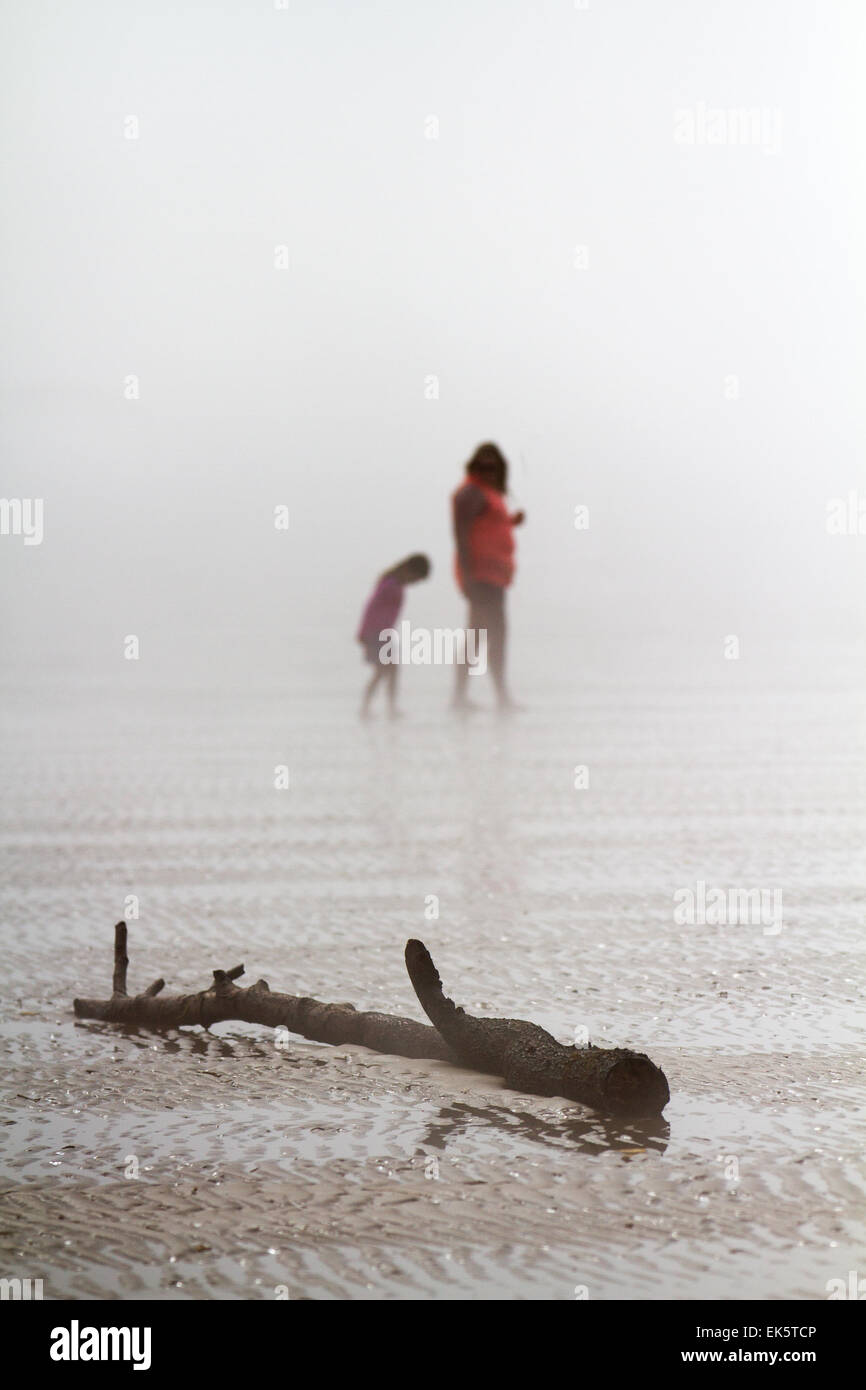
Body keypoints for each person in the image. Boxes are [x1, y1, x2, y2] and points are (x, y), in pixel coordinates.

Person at [451, 443, 525, 711]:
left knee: (483, 635)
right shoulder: (469, 493)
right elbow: (460, 535)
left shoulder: (487, 493)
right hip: (480, 577)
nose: (488, 472)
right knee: (488, 634)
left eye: (493, 467)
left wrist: (511, 522)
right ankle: (495, 696)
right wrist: (467, 576)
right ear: (474, 467)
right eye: (482, 467)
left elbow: (488, 525)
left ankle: (468, 696)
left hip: (494, 577)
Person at [356, 553, 430, 717]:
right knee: (383, 671)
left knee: (390, 670)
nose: (414, 583)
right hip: (376, 633)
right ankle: (368, 706)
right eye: (416, 579)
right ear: (409, 570)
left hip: (384, 634)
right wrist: (363, 632)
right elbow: (371, 607)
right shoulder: (390, 585)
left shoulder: (394, 584)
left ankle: (388, 707)